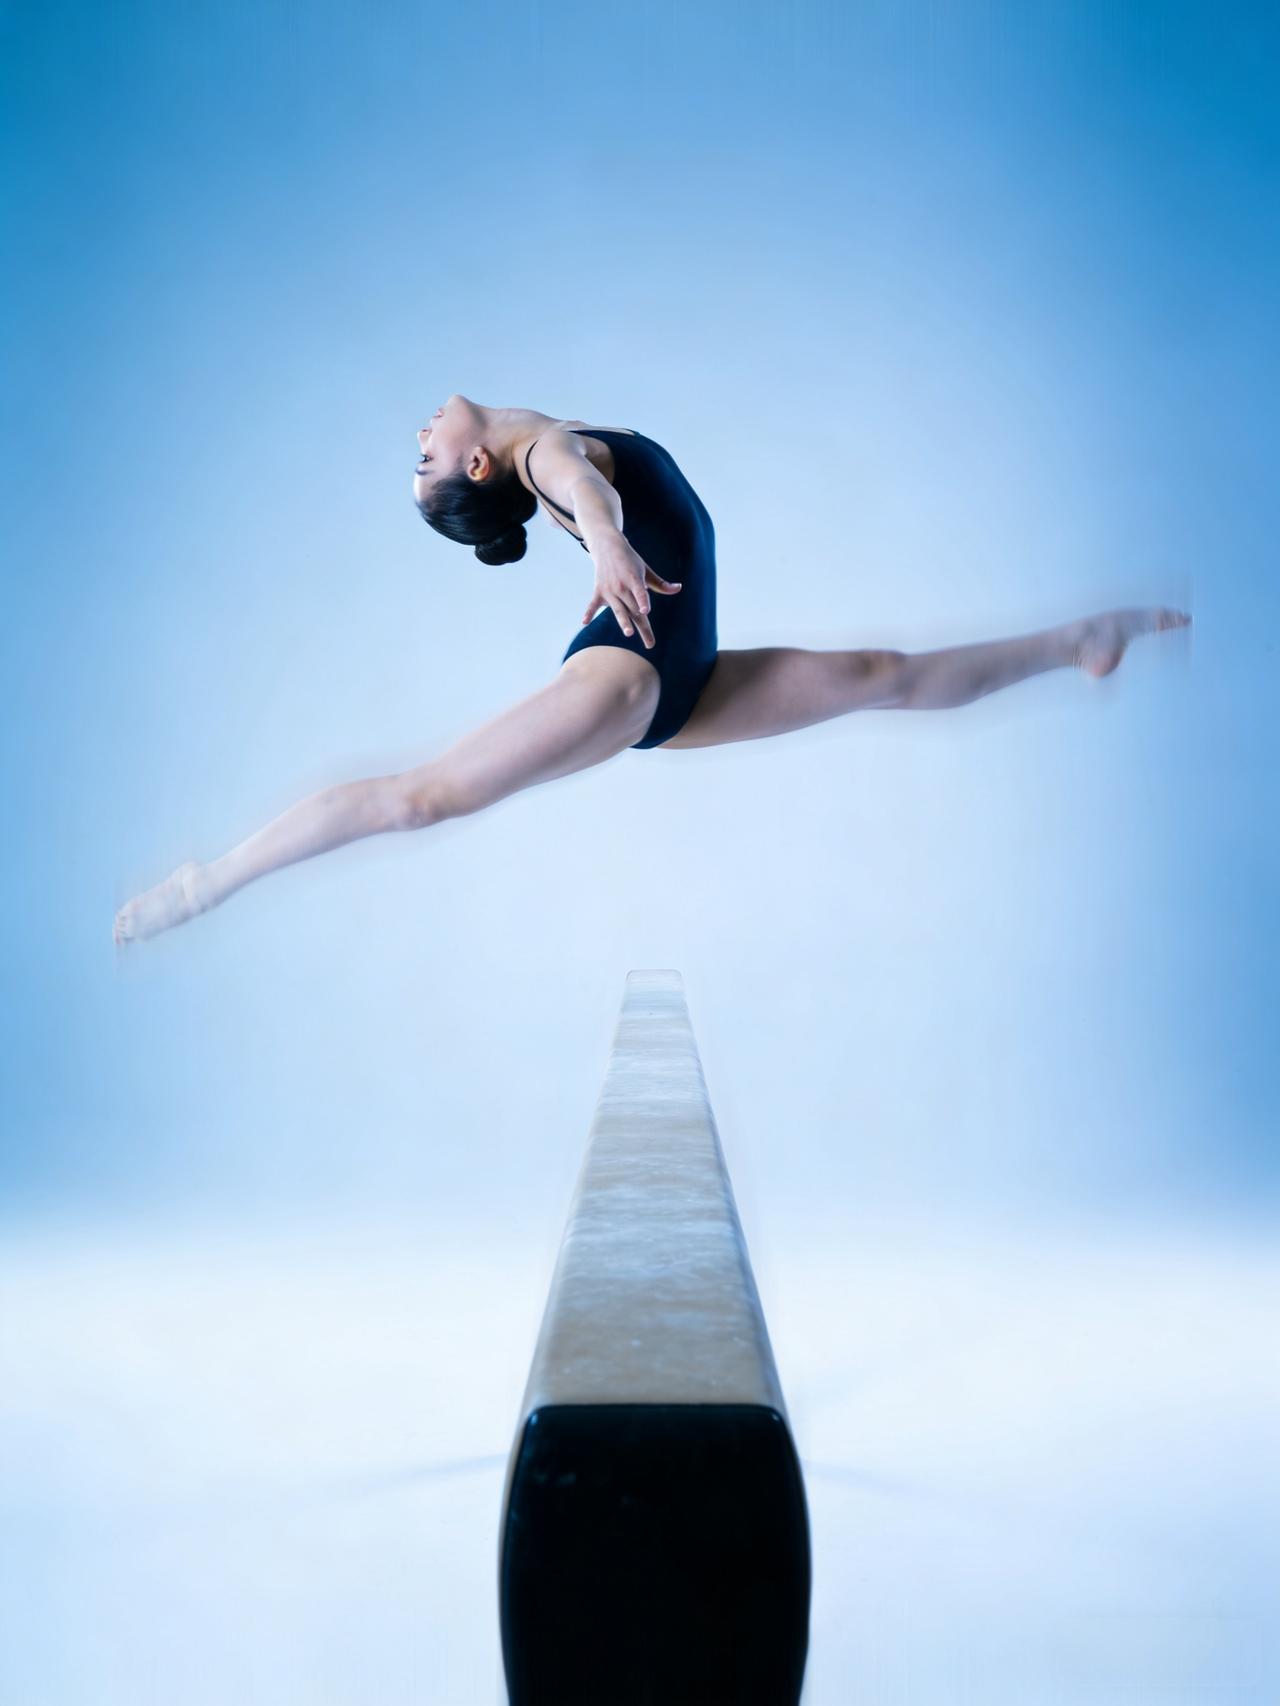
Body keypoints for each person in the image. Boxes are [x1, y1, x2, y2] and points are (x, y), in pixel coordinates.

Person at [113, 393, 1191, 945]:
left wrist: (606, 542)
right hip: (627, 679)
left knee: (881, 673)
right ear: (478, 462)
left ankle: (1075, 642)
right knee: (422, 797)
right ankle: (209, 882)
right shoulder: (547, 456)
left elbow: (583, 485)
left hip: (686, 682)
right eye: (425, 457)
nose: (420, 434)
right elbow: (585, 488)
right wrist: (608, 542)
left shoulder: (546, 442)